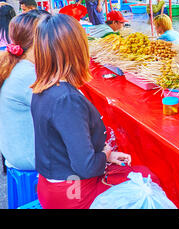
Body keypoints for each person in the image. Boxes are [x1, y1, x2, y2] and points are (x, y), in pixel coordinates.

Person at [30, 13, 159, 209]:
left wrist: (106, 156)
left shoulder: (42, 87)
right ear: (77, 50)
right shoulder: (67, 100)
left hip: (52, 184)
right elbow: (86, 166)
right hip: (72, 193)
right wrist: (106, 154)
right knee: (147, 180)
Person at [0, 10, 50, 171]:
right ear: (40, 40)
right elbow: (62, 115)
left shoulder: (17, 64)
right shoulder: (29, 74)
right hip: (29, 157)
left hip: (13, 152)